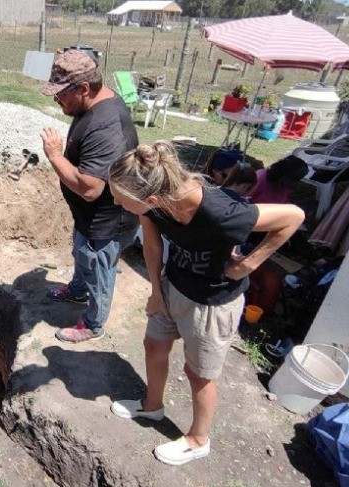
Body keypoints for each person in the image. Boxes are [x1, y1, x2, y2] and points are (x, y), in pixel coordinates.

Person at [106, 141, 304, 466]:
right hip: (173, 285)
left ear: (152, 200)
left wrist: (249, 265)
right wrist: (156, 289)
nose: (115, 202)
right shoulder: (154, 201)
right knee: (154, 345)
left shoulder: (221, 212)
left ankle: (198, 440)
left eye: (119, 198)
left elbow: (294, 217)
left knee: (198, 374)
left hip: (212, 303)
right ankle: (152, 406)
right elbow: (153, 245)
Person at [39, 49, 139, 343]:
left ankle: (93, 324)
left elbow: (90, 188)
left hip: (108, 221)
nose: (57, 100)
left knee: (99, 270)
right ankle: (77, 289)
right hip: (89, 217)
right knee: (82, 254)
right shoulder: (93, 103)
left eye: (60, 95)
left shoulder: (106, 127)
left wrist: (56, 156)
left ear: (83, 88)